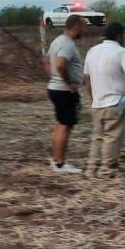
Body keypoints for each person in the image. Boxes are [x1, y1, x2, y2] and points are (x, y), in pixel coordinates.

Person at [83, 23, 125, 178]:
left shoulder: (92, 51)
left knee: (97, 137)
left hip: (97, 103)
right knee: (112, 137)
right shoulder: (121, 52)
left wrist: (93, 97)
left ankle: (91, 168)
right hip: (114, 101)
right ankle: (107, 170)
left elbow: (86, 78)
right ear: (119, 36)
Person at [46, 14, 86, 174]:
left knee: (60, 124)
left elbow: (46, 60)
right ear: (75, 26)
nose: (85, 30)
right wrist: (68, 83)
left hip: (56, 88)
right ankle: (60, 164)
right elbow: (61, 64)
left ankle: (57, 160)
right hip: (64, 91)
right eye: (83, 26)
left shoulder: (57, 40)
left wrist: (52, 77)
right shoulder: (67, 44)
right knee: (65, 126)